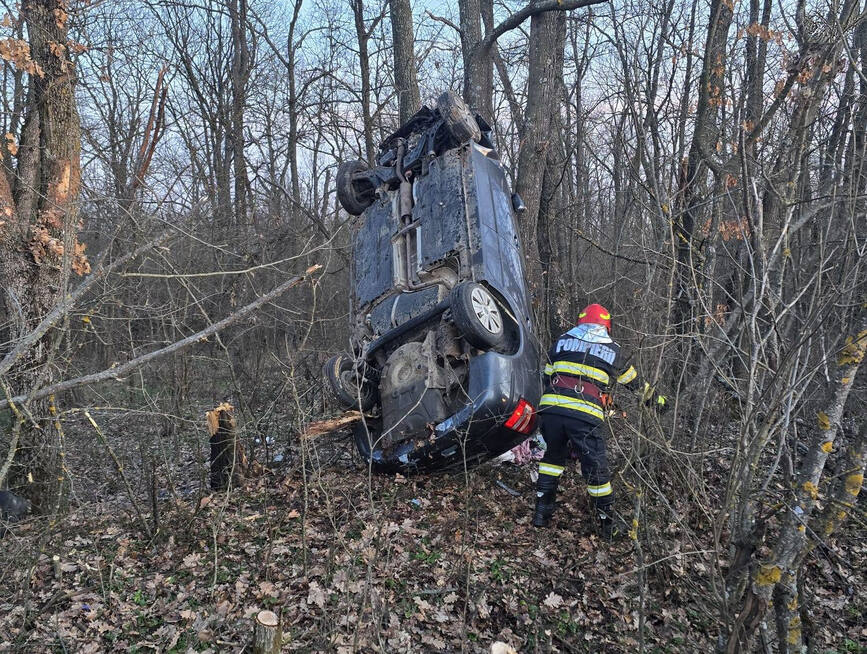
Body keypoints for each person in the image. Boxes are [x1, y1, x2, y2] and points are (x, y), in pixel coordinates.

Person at [532, 303, 665, 538]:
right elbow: (633, 383)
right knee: (596, 470)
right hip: (584, 415)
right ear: (606, 326)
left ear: (580, 322)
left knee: (552, 459)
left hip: (551, 410)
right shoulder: (612, 349)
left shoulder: (561, 341)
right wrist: (658, 402)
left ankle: (541, 514)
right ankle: (607, 525)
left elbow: (546, 376)